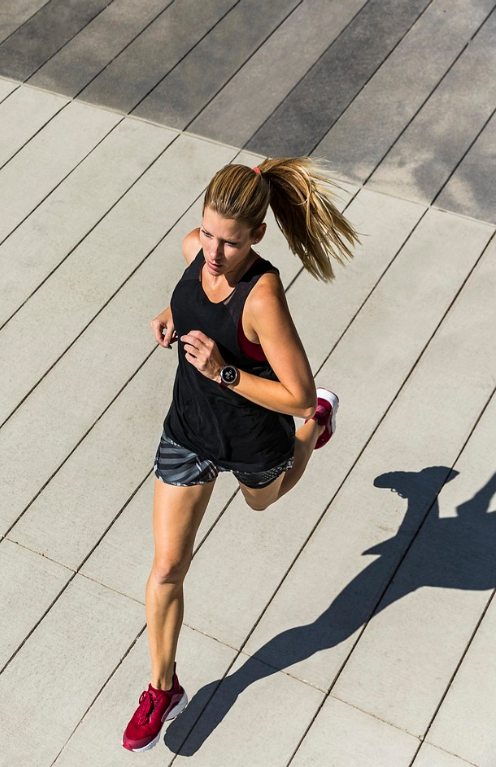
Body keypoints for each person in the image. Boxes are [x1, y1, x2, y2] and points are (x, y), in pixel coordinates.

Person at [122, 158, 359, 752]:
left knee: (264, 501)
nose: (213, 252)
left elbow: (295, 392)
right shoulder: (194, 252)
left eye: (229, 241)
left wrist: (223, 371)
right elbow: (193, 297)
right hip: (189, 429)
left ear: (256, 235)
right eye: (207, 233)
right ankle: (161, 688)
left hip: (254, 433)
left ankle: (314, 433)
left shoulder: (263, 297)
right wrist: (170, 313)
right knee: (167, 568)